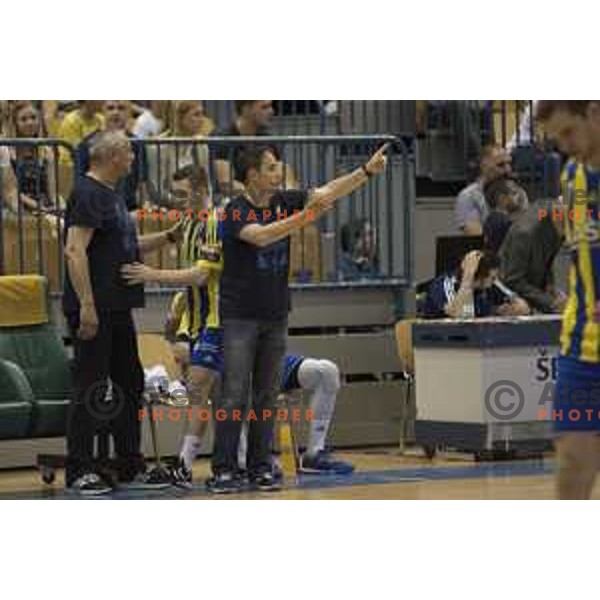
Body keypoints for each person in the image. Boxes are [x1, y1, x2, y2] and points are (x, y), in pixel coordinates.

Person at [203, 143, 388, 493]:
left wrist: (364, 172)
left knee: (266, 395)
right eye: (271, 167)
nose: (279, 172)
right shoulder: (234, 212)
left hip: (275, 313)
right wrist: (304, 218)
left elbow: (328, 191)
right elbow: (260, 237)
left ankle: (260, 466)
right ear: (253, 175)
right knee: (233, 394)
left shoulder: (283, 201)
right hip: (240, 316)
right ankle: (224, 468)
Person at [62, 130, 183, 496]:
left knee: (129, 383)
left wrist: (167, 237)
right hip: (94, 308)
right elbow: (73, 250)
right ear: (111, 155)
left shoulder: (111, 196)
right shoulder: (87, 193)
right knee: (91, 387)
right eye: (129, 151)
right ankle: (79, 469)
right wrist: (86, 305)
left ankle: (130, 463)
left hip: (117, 308)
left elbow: (125, 244)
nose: (133, 157)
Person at [536, 100, 600, 499]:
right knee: (573, 461)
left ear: (593, 112)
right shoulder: (571, 175)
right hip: (582, 344)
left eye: (568, 132)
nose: (564, 145)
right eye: (557, 137)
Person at [76, 100, 147, 211]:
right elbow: (80, 181)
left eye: (121, 108)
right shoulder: (87, 144)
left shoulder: (137, 144)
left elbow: (142, 182)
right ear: (103, 111)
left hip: (129, 208)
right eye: (110, 108)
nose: (115, 112)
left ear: (129, 113)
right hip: (97, 207)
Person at [498, 199, 564, 313]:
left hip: (530, 292)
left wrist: (551, 289)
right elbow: (512, 280)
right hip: (509, 301)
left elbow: (547, 261)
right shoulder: (525, 234)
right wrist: (550, 302)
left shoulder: (557, 224)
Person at [420, 250, 530, 319]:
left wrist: (499, 311)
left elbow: (524, 308)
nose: (495, 281)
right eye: (492, 278)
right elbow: (459, 315)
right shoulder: (444, 285)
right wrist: (468, 277)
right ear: (479, 275)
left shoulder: (491, 285)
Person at [146, 101, 212, 206]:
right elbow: (156, 190)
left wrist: (208, 206)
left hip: (196, 206)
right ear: (180, 118)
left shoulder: (201, 144)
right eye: (196, 115)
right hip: (167, 207)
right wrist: (181, 203)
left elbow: (207, 185)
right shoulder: (158, 146)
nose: (202, 120)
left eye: (202, 114)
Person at [213, 100, 278, 194]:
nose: (271, 111)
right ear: (246, 109)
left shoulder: (268, 140)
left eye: (271, 106)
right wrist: (258, 194)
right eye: (264, 107)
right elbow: (226, 184)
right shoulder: (222, 138)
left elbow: (283, 174)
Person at [453, 145, 514, 235]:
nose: (508, 170)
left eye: (509, 164)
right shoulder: (468, 197)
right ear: (484, 166)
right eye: (500, 165)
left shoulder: (516, 193)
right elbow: (477, 236)